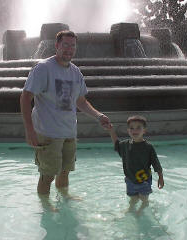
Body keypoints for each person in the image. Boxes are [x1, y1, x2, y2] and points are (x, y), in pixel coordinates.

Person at [20, 30, 110, 197]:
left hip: (69, 131)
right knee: (47, 175)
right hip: (48, 133)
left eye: (73, 45)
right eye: (65, 44)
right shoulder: (43, 68)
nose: (69, 49)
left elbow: (80, 101)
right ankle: (46, 208)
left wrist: (99, 116)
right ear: (57, 46)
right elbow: (26, 98)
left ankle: (64, 200)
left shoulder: (76, 72)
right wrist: (29, 130)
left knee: (65, 171)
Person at [107, 115, 164, 215]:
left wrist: (160, 177)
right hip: (130, 180)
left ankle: (141, 209)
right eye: (132, 128)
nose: (135, 130)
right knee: (133, 199)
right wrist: (111, 130)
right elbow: (116, 144)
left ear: (144, 131)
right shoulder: (125, 145)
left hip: (144, 180)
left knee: (144, 199)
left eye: (138, 127)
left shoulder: (148, 147)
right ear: (128, 130)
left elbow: (156, 162)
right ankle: (131, 208)